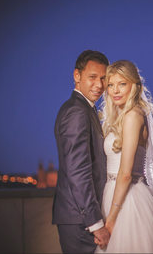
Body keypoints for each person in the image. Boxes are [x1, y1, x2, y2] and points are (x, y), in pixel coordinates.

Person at [95, 60, 153, 253]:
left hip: (127, 200)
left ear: (134, 85)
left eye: (122, 84)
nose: (115, 90)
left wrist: (111, 220)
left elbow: (126, 173)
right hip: (115, 194)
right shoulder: (124, 115)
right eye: (111, 85)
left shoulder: (132, 116)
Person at [52, 50, 111, 253]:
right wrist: (95, 223)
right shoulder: (77, 111)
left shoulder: (85, 109)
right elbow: (78, 171)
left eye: (104, 78)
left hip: (80, 217)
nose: (99, 85)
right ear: (77, 76)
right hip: (81, 221)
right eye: (92, 77)